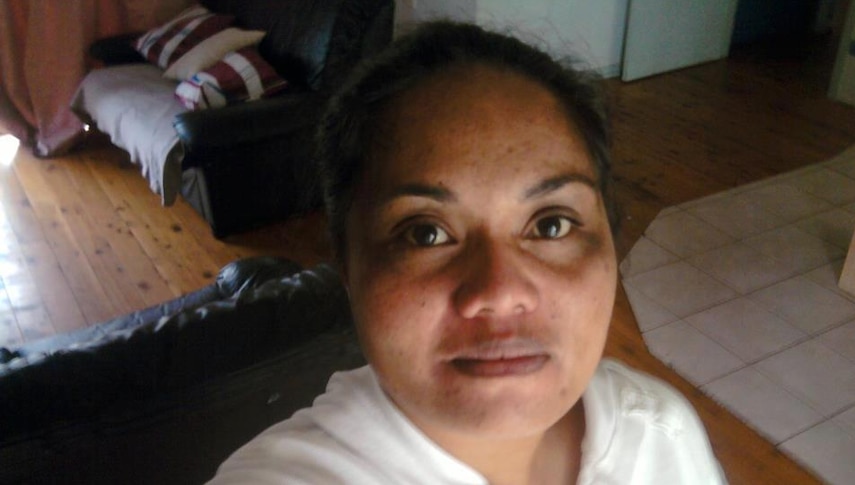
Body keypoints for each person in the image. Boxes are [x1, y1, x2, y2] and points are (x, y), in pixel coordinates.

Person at [209, 21, 727, 484]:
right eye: (424, 234)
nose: (500, 293)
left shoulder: (661, 434)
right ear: (347, 265)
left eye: (551, 225)